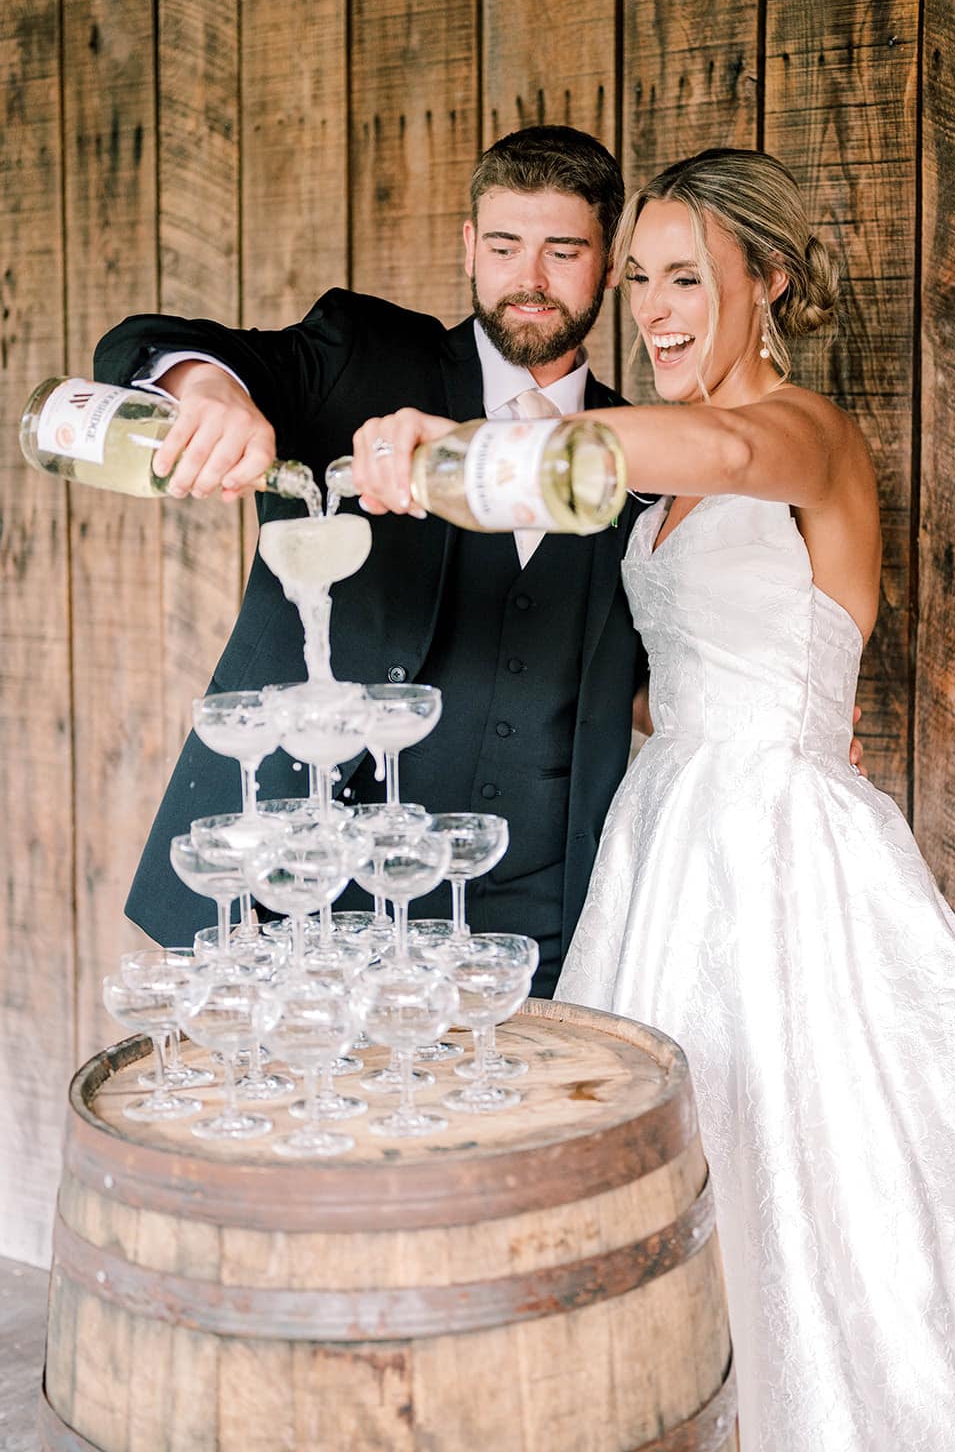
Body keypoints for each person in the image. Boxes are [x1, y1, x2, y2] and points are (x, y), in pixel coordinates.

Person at [354, 148, 955, 1449]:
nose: (655, 310)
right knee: (658, 1165)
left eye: (687, 278)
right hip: (662, 832)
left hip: (782, 856)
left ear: (770, 281)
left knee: (793, 1169)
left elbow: (730, 443)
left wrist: (476, 441)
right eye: (637, 281)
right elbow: (671, 656)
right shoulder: (662, 481)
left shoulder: (802, 432)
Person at [94, 126, 646, 996]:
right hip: (295, 889)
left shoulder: (641, 455)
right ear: (469, 246)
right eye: (503, 246)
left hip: (529, 915)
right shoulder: (367, 353)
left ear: (609, 264)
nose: (529, 279)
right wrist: (209, 394)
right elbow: (153, 338)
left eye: (562, 250)